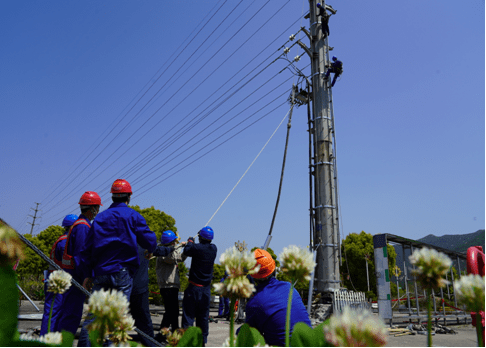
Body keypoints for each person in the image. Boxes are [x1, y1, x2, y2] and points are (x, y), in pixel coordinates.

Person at [77, 179, 174, 347]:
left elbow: (86, 250)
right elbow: (149, 239)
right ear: (129, 196)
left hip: (101, 273)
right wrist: (150, 248)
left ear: (112, 196)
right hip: (122, 273)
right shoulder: (132, 216)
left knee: (93, 318)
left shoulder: (100, 218)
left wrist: (87, 275)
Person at [239, 248, 312, 347]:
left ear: (253, 276)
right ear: (273, 269)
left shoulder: (255, 303)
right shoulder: (289, 287)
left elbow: (249, 336)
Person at [56, 192, 102, 337]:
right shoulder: (83, 227)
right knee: (72, 315)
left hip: (72, 276)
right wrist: (86, 277)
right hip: (76, 277)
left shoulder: (80, 224)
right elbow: (81, 256)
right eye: (97, 208)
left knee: (69, 313)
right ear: (93, 209)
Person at [39, 214, 78, 336]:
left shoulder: (62, 240)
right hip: (57, 282)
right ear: (72, 227)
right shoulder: (65, 242)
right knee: (53, 312)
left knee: (55, 311)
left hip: (55, 280)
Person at [181, 226, 217, 347]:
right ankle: (202, 341)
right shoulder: (213, 249)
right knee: (203, 317)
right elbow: (196, 247)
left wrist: (191, 240)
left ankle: (187, 340)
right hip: (206, 290)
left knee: (188, 316)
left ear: (200, 238)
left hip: (194, 288)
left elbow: (187, 250)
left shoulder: (197, 248)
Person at [154, 230, 187, 341]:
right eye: (174, 241)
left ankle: (175, 332)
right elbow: (174, 259)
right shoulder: (163, 253)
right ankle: (162, 333)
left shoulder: (169, 251)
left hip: (172, 286)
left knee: (174, 311)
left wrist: (185, 248)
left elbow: (180, 258)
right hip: (167, 286)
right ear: (171, 242)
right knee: (170, 311)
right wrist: (181, 246)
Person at [129, 245, 156, 347]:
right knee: (144, 321)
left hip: (122, 287)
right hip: (139, 289)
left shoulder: (122, 240)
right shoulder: (145, 245)